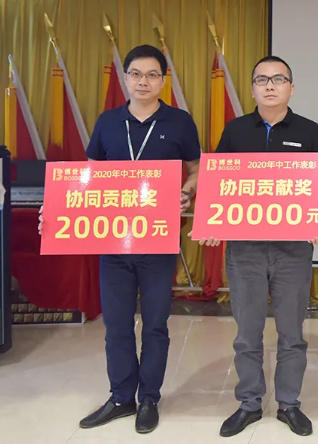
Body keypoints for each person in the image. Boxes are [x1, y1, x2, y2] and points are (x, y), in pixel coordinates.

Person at [39, 44, 201, 434]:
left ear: (163, 80)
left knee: (156, 324)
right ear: (126, 77)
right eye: (136, 74)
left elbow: (197, 169)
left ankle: (149, 399)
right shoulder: (108, 121)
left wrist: (187, 191)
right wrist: (57, 209)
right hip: (114, 242)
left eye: (152, 74)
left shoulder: (180, 122)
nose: (143, 81)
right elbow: (89, 177)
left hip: (158, 239)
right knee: (116, 324)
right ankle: (121, 397)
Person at [206, 55, 318, 438]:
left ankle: (289, 404)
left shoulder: (308, 130)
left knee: (292, 333)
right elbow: (218, 182)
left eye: (278, 79)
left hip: (293, 251)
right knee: (247, 333)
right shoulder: (235, 130)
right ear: (252, 89)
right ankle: (249, 403)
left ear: (291, 88)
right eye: (262, 80)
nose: (270, 86)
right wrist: (212, 222)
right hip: (245, 250)